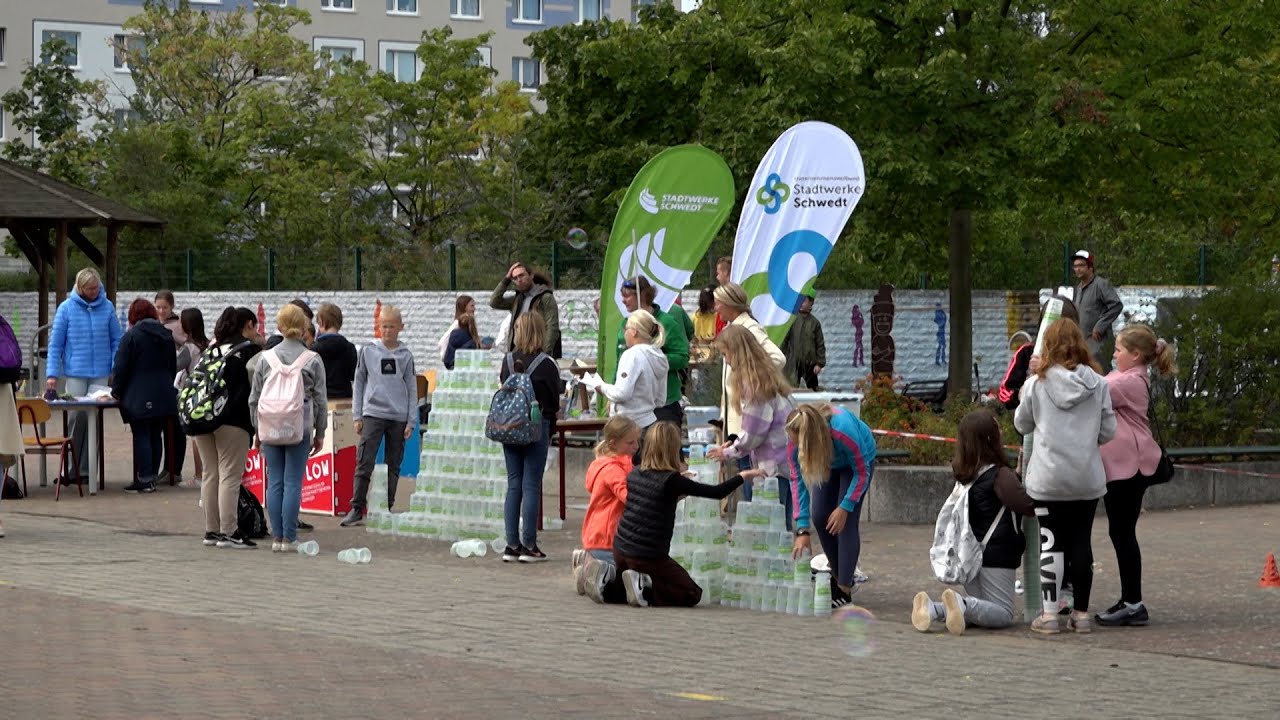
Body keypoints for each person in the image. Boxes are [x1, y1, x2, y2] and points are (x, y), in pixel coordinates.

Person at [1014, 319, 1116, 634]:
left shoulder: (1036, 385)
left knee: (1051, 543)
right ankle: (1082, 614)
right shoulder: (1099, 384)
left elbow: (1022, 425)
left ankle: (1049, 616)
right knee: (1081, 543)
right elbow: (1108, 430)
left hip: (1047, 480)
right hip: (1086, 479)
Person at [912, 410, 1035, 635]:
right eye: (997, 428)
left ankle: (933, 610)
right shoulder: (1000, 475)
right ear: (990, 438)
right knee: (1003, 613)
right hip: (996, 555)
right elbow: (1026, 505)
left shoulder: (967, 474)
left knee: (982, 611)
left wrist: (1015, 475)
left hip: (970, 554)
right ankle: (961, 603)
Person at [608, 421, 746, 607]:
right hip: (647, 556)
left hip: (620, 549)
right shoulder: (672, 480)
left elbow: (656, 501)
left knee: (651, 577)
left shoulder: (635, 473)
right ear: (673, 448)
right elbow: (717, 492)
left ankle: (609, 586)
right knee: (691, 593)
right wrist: (744, 476)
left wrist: (683, 489)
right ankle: (644, 590)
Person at [1096, 324, 1177, 627]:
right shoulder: (1123, 376)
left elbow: (1094, 389)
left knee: (1123, 533)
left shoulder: (1130, 382)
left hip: (1131, 467)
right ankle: (1130, 600)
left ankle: (1133, 604)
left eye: (1118, 349)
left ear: (1135, 355)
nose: (1114, 354)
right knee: (1120, 532)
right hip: (1124, 466)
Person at [250, 304, 327, 553]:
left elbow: (255, 398)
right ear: (305, 328)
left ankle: (277, 537)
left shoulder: (265, 358)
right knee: (293, 482)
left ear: (280, 327)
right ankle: (290, 538)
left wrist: (257, 430)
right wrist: (320, 431)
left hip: (270, 427)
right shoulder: (312, 359)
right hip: (299, 427)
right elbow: (320, 400)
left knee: (275, 482)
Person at [787, 402, 877, 608]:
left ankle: (845, 589)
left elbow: (861, 472)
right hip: (827, 461)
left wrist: (845, 506)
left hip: (856, 465)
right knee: (819, 516)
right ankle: (839, 577)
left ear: (809, 440)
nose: (793, 447)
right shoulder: (794, 439)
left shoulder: (842, 430)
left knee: (844, 522)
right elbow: (797, 481)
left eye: (799, 445)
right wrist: (802, 530)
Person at [708, 325, 796, 528]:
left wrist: (729, 451)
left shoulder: (754, 385)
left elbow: (754, 432)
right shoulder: (767, 376)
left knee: (772, 527)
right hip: (786, 461)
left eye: (725, 354)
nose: (726, 361)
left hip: (772, 466)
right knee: (784, 525)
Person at [192, 307, 263, 549]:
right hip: (233, 419)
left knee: (210, 474)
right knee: (230, 475)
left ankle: (211, 531)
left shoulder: (211, 350)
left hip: (202, 418)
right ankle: (230, 531)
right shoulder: (248, 351)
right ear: (249, 325)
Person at [340, 306, 416, 526]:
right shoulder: (368, 351)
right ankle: (356, 507)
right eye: (384, 326)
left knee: (394, 463)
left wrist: (411, 420)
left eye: (392, 326)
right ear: (378, 326)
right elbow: (360, 381)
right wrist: (357, 415)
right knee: (364, 461)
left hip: (398, 416)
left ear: (400, 327)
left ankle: (387, 505)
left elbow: (411, 387)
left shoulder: (406, 355)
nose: (388, 330)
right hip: (372, 414)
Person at [498, 313, 563, 563]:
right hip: (537, 426)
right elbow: (554, 401)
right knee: (531, 484)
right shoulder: (546, 363)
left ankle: (511, 544)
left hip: (510, 427)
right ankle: (529, 545)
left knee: (514, 483)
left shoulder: (507, 360)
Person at [713, 283, 784, 501]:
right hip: (742, 420)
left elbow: (778, 358)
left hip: (752, 421)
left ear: (728, 304)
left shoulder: (749, 329)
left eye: (718, 303)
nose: (715, 308)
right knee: (748, 474)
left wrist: (753, 376)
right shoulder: (735, 327)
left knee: (752, 480)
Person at [111, 298, 178, 494]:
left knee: (141, 435)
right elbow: (172, 366)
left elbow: (121, 367)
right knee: (156, 435)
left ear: (133, 316)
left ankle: (145, 478)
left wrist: (116, 391)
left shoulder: (132, 336)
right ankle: (153, 477)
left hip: (138, 395)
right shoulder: (166, 335)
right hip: (164, 393)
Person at [574, 415, 641, 603]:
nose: (636, 446)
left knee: (613, 568)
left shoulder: (603, 465)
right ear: (614, 443)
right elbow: (626, 495)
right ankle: (591, 573)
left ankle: (586, 566)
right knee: (623, 577)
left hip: (595, 535)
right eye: (630, 442)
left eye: (637, 441)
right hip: (608, 536)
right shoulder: (613, 469)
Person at [613, 276, 688, 426]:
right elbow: (619, 361)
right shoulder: (625, 324)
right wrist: (614, 390)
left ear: (642, 295)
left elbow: (682, 357)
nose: (623, 300)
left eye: (627, 295)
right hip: (632, 408)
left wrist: (650, 360)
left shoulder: (666, 322)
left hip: (663, 404)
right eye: (622, 296)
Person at [587, 310, 668, 442]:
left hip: (627, 427)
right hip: (649, 423)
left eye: (626, 329)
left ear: (634, 331)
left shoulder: (632, 355)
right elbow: (661, 399)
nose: (624, 333)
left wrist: (601, 387)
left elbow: (622, 393)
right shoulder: (660, 357)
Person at [998, 296, 1079, 411]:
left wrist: (1048, 370)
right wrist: (1021, 393)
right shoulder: (1026, 353)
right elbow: (1005, 393)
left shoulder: (1079, 356)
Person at [490, 263, 561, 358]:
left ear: (531, 275)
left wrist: (544, 353)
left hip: (538, 350)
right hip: (518, 350)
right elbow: (494, 302)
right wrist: (506, 279)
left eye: (521, 275)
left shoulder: (545, 297)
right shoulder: (517, 299)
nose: (519, 280)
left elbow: (552, 327)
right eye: (515, 278)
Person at [1070, 250, 1124, 370]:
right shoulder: (1078, 289)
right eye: (1075, 266)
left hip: (1098, 344)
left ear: (1090, 267)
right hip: (1082, 344)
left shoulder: (1101, 284)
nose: (1077, 269)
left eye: (1081, 266)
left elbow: (1116, 305)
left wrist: (1100, 326)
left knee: (1101, 376)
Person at [174, 308, 210, 487]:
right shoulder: (208, 344)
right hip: (208, 392)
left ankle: (199, 475)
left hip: (192, 395)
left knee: (196, 437)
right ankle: (207, 472)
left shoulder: (188, 348)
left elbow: (175, 366)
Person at [781, 291, 826, 391]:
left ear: (811, 302)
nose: (801, 303)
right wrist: (781, 357)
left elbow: (820, 344)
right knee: (791, 388)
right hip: (792, 363)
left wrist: (819, 363)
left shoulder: (815, 323)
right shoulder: (791, 321)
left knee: (813, 388)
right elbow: (784, 341)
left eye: (804, 300)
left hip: (810, 364)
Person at [312, 303, 357, 400]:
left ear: (322, 322)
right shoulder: (350, 347)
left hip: (322, 397)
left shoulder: (315, 349)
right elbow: (353, 375)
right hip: (345, 396)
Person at [438, 295, 477, 363]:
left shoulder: (467, 324)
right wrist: (448, 358)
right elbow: (442, 342)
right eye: (472, 306)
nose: (474, 309)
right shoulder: (458, 324)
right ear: (464, 307)